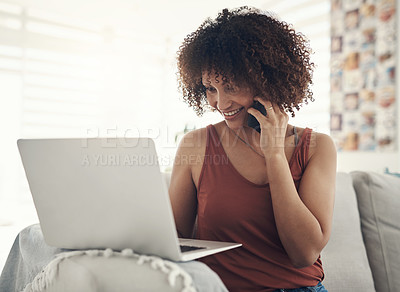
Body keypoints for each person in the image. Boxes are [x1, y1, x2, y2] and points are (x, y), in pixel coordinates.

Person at [170, 6, 336, 292]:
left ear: (267, 81)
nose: (220, 104)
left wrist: (274, 154)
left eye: (231, 87)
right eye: (210, 89)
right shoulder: (195, 145)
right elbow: (173, 240)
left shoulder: (316, 147)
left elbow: (304, 253)